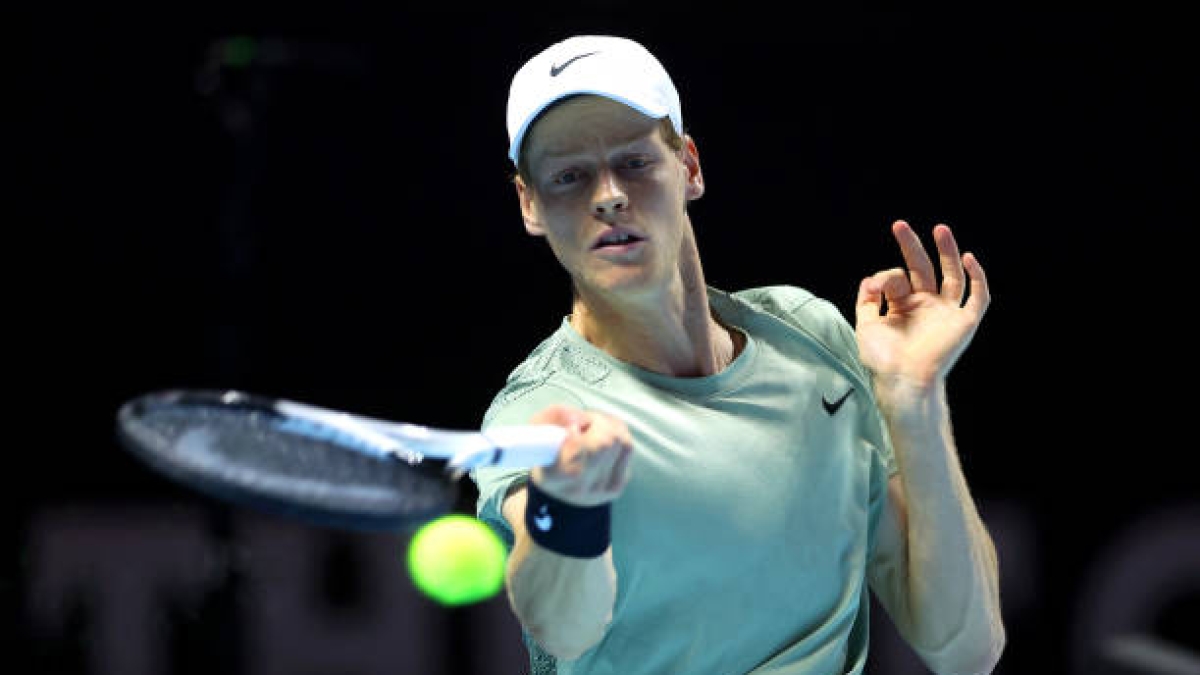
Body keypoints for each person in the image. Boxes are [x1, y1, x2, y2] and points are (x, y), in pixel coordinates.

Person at [470, 34, 1005, 675]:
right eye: (568, 176)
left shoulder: (812, 338)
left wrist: (912, 398)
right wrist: (567, 508)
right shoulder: (544, 412)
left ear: (689, 166)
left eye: (635, 162)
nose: (607, 194)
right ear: (530, 205)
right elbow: (564, 626)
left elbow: (967, 650)